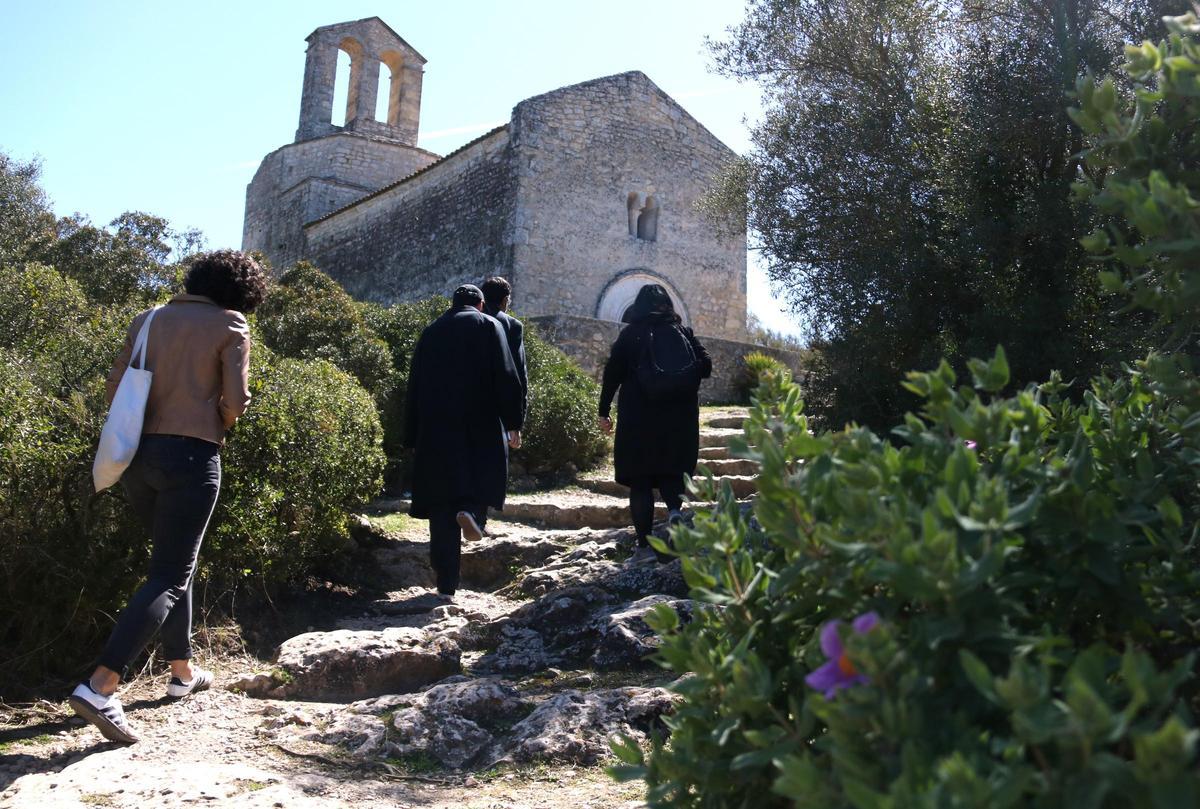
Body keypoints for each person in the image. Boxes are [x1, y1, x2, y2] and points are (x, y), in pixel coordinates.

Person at [69, 250, 267, 745]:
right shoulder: (231, 324)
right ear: (241, 290)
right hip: (193, 456)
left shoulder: (149, 318)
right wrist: (216, 421)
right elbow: (237, 400)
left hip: (139, 458)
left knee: (175, 565)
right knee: (169, 573)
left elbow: (116, 386)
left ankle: (182, 672)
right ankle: (101, 685)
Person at [405, 284, 524, 597]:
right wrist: (514, 422)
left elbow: (414, 384)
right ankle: (473, 513)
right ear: (481, 305)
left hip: (435, 428)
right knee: (482, 476)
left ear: (452, 304)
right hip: (480, 423)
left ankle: (446, 586)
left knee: (441, 504)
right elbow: (507, 375)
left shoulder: (431, 332)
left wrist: (411, 433)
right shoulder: (490, 326)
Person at [598, 284, 712, 562]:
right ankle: (674, 512)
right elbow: (706, 365)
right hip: (679, 417)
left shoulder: (630, 335)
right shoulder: (682, 333)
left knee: (641, 481)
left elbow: (612, 374)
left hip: (639, 416)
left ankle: (644, 548)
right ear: (667, 305)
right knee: (672, 473)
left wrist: (603, 411)